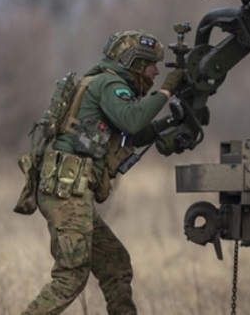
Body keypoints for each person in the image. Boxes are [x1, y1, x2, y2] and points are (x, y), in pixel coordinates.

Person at [21, 30, 185, 315]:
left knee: (115, 264)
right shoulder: (110, 83)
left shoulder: (105, 83)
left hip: (70, 190)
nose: (157, 72)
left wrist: (170, 122)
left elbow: (131, 135)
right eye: (152, 65)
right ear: (134, 62)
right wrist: (167, 91)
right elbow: (131, 120)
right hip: (67, 192)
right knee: (71, 277)